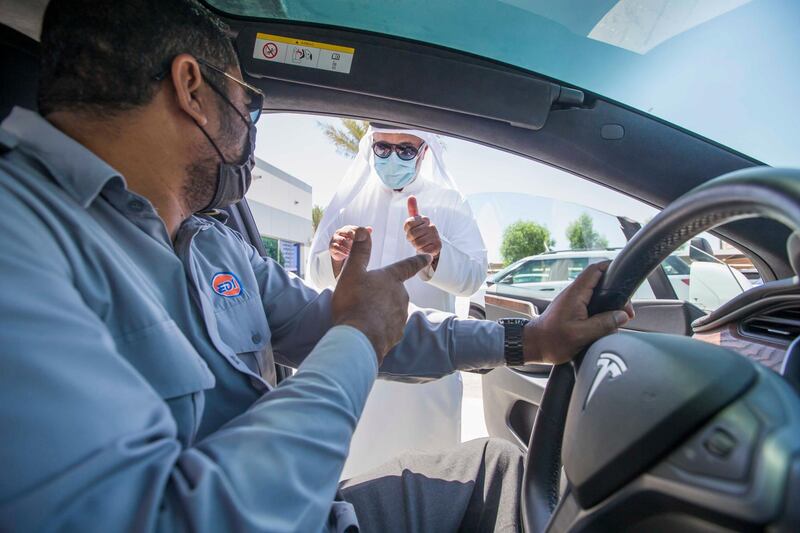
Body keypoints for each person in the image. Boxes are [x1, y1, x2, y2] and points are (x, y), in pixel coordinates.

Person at [0, 1, 633, 531]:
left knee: (501, 471)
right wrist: (355, 338)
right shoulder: (19, 238)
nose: (249, 134)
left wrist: (529, 340)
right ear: (192, 88)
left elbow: (345, 316)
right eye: (246, 105)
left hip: (314, 509)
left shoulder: (213, 244)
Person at [309, 124, 487, 477]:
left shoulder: (449, 202)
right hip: (360, 365)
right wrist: (335, 258)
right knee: (355, 475)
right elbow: (317, 275)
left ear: (424, 152)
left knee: (425, 480)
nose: (393, 158)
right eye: (383, 148)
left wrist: (438, 253)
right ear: (370, 148)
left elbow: (474, 277)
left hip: (426, 368)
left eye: (405, 149)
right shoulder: (348, 203)